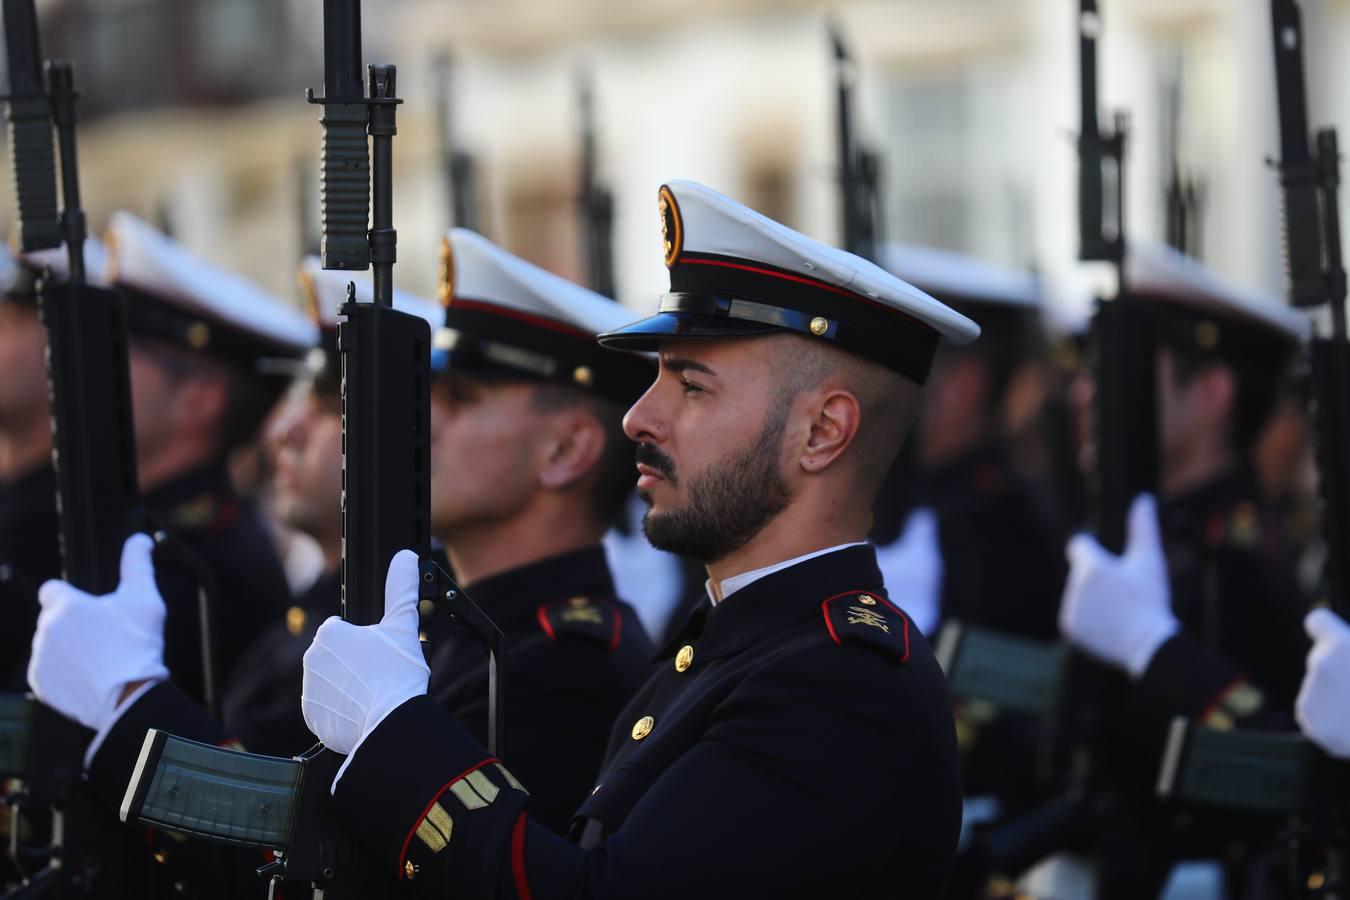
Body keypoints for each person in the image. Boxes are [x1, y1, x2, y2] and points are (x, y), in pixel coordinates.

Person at [293, 180, 975, 897]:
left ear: (822, 433)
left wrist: (395, 734)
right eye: (656, 379)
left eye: (691, 386)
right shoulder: (728, 650)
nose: (638, 418)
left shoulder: (838, 684)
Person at [1056, 238, 1311, 896]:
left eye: (1121, 374)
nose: (1086, 395)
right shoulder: (1148, 534)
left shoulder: (1233, 557)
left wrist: (1153, 648)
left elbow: (1273, 772)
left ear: (1212, 394)